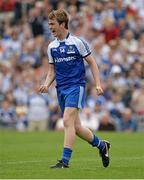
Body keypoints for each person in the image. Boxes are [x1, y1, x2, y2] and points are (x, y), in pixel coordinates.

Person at [39, 9, 111, 168]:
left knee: (66, 121)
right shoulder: (51, 46)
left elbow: (92, 63)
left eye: (52, 24)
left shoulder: (78, 42)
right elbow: (52, 71)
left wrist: (98, 84)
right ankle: (101, 145)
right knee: (76, 127)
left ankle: (64, 161)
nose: (50, 27)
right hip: (61, 89)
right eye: (49, 24)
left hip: (76, 87)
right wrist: (46, 84)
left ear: (62, 24)